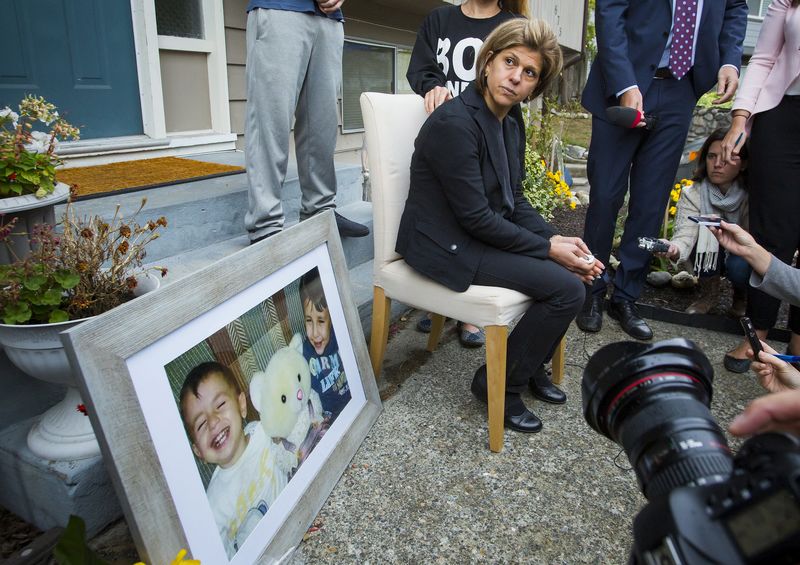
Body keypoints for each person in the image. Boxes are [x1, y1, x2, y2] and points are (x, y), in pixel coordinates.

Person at [397, 19, 604, 433]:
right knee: (566, 287)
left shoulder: (509, 122)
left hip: (474, 234)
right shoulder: (457, 124)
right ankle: (498, 384)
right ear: (488, 61)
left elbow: (514, 198)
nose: (516, 78)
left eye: (530, 73)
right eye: (510, 62)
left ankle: (525, 365)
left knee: (578, 273)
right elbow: (476, 217)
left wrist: (554, 237)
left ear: (535, 86)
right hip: (443, 244)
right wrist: (549, 250)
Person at [576, 0, 748, 341]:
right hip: (622, 81)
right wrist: (625, 84)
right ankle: (591, 292)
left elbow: (735, 7)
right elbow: (610, 11)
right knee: (606, 196)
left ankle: (626, 297)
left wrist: (730, 58)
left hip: (681, 89)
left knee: (651, 202)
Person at [406, 0, 529, 348]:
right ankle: (443, 300)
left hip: (493, 138)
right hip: (450, 138)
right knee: (445, 217)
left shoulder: (512, 23)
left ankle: (468, 312)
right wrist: (433, 85)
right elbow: (421, 68)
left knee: (484, 214)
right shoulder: (440, 19)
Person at [717, 0, 800, 373]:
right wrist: (740, 118)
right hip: (783, 117)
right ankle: (759, 333)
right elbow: (764, 58)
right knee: (771, 232)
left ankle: (799, 340)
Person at [244, 0, 369, 244]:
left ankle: (320, 210)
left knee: (322, 124)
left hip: (330, 19)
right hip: (280, 8)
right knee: (271, 119)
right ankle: (265, 224)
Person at [179, 362, 294, 557]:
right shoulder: (213, 508)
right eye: (201, 424)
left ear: (241, 405)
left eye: (220, 405)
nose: (213, 422)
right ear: (198, 452)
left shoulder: (265, 431)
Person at [658, 129, 750, 316]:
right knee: (701, 236)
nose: (717, 164)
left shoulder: (752, 194)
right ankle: (708, 295)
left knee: (740, 266)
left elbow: (755, 241)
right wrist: (674, 248)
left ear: (744, 164)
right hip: (711, 249)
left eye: (726, 158)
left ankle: (742, 296)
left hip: (741, 251)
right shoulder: (693, 193)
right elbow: (685, 235)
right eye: (711, 156)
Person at [299, 270, 351, 420]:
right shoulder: (304, 355)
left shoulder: (343, 337)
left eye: (321, 321)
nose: (315, 333)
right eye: (309, 320)